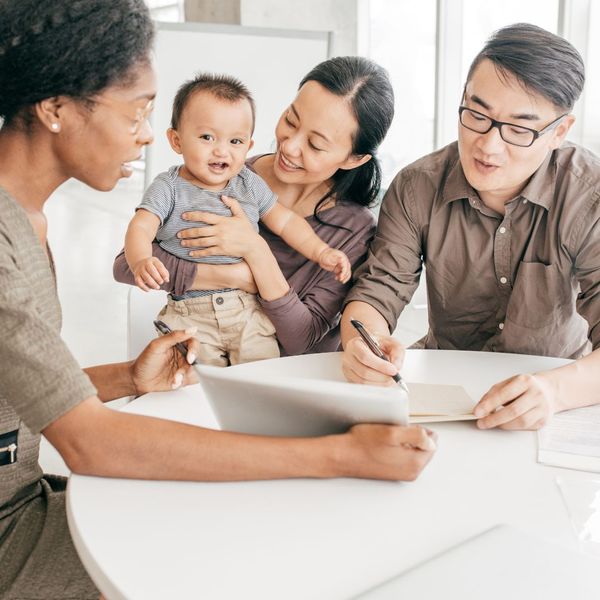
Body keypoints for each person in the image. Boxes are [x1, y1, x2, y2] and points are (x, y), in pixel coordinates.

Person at [0, 2, 436, 596]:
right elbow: (90, 441)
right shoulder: (10, 236)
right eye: (138, 111)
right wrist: (343, 455)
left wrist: (129, 376)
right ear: (54, 110)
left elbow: (20, 395)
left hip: (32, 495)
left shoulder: (28, 221)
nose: (151, 135)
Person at [341, 23, 600, 432]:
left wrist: (555, 392)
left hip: (554, 394)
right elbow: (379, 288)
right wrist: (362, 342)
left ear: (558, 133)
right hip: (441, 391)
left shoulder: (590, 194)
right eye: (477, 115)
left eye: (518, 129)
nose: (488, 146)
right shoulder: (416, 185)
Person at [113, 54, 392, 357]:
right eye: (291, 120)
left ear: (354, 158)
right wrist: (236, 278)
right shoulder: (226, 176)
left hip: (288, 380)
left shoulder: (353, 229)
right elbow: (127, 265)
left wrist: (256, 252)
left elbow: (303, 341)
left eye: (315, 144)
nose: (289, 146)